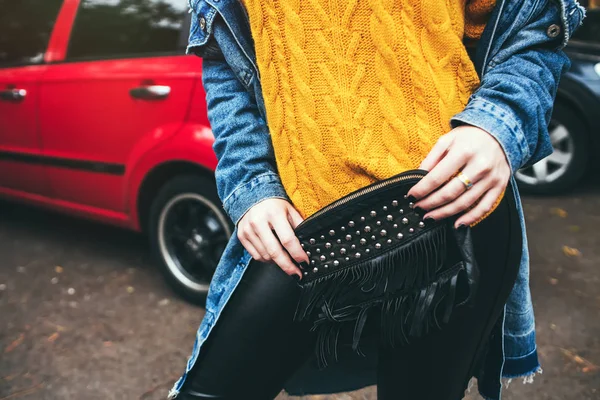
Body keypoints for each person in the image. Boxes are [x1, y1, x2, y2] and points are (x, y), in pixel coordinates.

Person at [167, 1, 586, 399]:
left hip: (450, 211)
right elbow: (223, 60)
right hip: (306, 231)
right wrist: (251, 183)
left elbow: (533, 24)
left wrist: (497, 125)